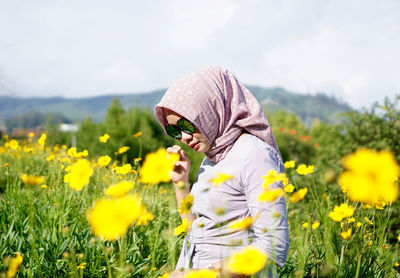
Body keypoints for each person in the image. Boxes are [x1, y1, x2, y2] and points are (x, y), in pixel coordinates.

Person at [154, 66, 289, 277]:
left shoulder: (253, 154)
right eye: (174, 130)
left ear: (211, 109)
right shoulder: (214, 158)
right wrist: (181, 184)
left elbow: (273, 246)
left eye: (186, 124)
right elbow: (197, 234)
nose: (183, 137)